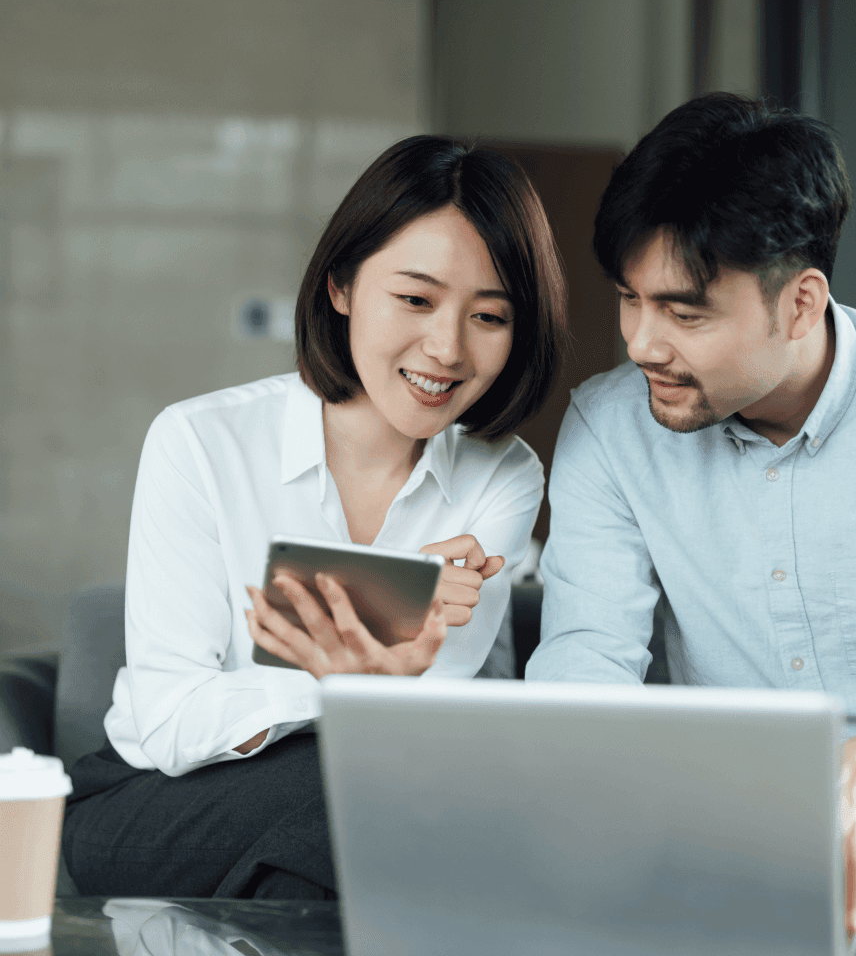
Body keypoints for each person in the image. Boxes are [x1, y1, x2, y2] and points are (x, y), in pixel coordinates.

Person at [526, 93, 856, 936]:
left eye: (684, 311)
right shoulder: (608, 426)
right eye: (630, 299)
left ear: (801, 303)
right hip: (714, 841)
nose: (641, 343)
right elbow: (584, 671)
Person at [63, 135, 568, 899]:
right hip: (155, 804)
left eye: (490, 317)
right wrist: (340, 688)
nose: (447, 348)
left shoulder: (503, 476)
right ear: (340, 286)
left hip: (371, 800)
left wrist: (360, 689)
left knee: (351, 827)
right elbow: (168, 722)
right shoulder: (200, 441)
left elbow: (420, 739)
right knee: (375, 803)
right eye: (415, 299)